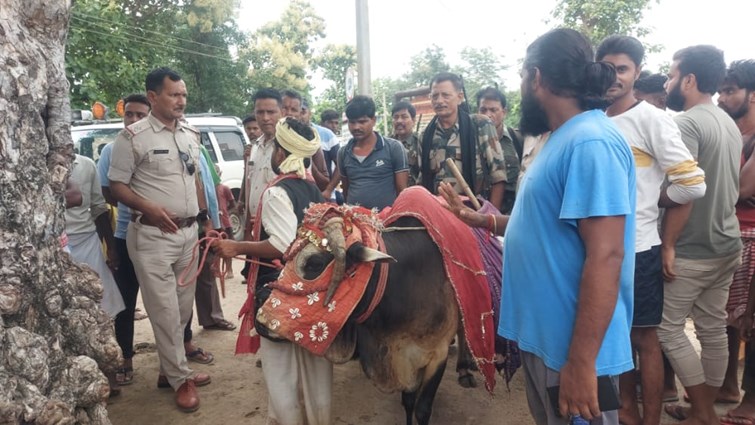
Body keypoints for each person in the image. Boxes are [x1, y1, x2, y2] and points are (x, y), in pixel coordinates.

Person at [442, 28, 636, 424]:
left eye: (521, 77)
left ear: (536, 78)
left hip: (573, 349)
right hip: (548, 339)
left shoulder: (590, 142)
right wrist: (482, 220)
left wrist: (582, 363)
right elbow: (546, 223)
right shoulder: (559, 139)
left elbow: (607, 253)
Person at [597, 35, 707, 425]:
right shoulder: (595, 119)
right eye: (607, 68)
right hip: (603, 251)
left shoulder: (652, 119)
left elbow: (693, 184)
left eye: (623, 69)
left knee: (646, 340)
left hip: (640, 247)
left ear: (637, 73)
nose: (614, 77)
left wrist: (653, 201)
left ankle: (650, 420)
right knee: (618, 336)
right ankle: (625, 409)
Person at [214, 117, 332, 425]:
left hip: (282, 291)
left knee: (281, 374)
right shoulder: (313, 190)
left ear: (279, 153)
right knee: (314, 367)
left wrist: (236, 248)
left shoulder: (277, 192)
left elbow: (281, 245)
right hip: (313, 290)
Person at [108, 67, 211, 413]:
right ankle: (181, 378)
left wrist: (204, 218)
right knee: (164, 310)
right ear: (153, 97)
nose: (181, 100)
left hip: (188, 234)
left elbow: (193, 178)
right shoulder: (132, 137)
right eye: (173, 94)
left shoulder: (190, 134)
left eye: (183, 94)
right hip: (152, 236)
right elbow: (117, 186)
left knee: (182, 309)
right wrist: (147, 207)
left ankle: (170, 370)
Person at [656, 45, 743, 424]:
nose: (668, 82)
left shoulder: (686, 123)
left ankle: (703, 411)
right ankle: (702, 406)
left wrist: (669, 244)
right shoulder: (727, 121)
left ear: (689, 80)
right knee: (711, 327)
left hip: (692, 248)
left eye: (673, 75)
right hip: (727, 243)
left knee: (666, 328)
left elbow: (684, 189)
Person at [97, 93, 150, 386]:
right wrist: (139, 206)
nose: (133, 120)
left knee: (165, 301)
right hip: (124, 235)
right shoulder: (112, 150)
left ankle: (180, 352)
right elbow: (107, 192)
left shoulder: (158, 145)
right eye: (129, 114)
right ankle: (125, 359)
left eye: (140, 115)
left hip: (157, 236)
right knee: (125, 302)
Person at [716, 59, 755, 424]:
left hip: (751, 234)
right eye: (722, 90)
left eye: (730, 90)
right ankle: (728, 386)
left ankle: (751, 402)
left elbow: (741, 188)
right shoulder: (735, 135)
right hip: (732, 231)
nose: (722, 97)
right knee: (729, 318)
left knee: (750, 320)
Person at [418, 72, 508, 211]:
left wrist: (489, 218)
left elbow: (498, 176)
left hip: (475, 211)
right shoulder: (425, 135)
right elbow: (422, 180)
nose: (439, 101)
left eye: (446, 95)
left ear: (460, 97)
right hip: (439, 213)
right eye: (434, 96)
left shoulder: (481, 125)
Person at [326, 95, 409, 210]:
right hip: (354, 222)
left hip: (386, 222)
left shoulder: (393, 148)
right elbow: (346, 189)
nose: (356, 127)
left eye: (362, 121)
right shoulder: (343, 153)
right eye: (352, 122)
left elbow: (402, 191)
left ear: (373, 120)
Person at [476, 87, 522, 214]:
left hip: (513, 216)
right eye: (483, 109)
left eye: (493, 110)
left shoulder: (517, 139)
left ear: (504, 112)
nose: (488, 114)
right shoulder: (470, 140)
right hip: (479, 214)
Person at [280, 90, 330, 191]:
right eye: (284, 108)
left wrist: (308, 163)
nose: (289, 113)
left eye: (294, 110)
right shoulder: (265, 141)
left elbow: (325, 183)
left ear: (300, 113)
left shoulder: (311, 142)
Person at [391, 101, 420, 186]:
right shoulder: (387, 144)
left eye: (404, 117)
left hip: (414, 194)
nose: (399, 121)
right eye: (396, 117)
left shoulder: (420, 142)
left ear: (413, 120)